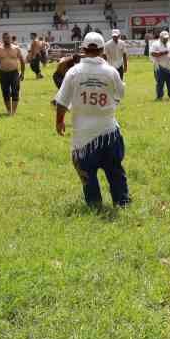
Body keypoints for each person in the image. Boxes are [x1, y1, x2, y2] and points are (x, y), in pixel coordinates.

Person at [53, 32, 129, 209]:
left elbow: (62, 102)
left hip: (83, 137)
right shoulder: (111, 72)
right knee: (115, 171)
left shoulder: (73, 72)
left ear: (83, 49)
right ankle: (122, 202)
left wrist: (59, 121)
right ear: (103, 51)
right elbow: (120, 94)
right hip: (109, 132)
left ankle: (95, 205)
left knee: (87, 173)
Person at [0, 35, 24, 116]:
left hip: (14, 73)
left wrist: (22, 73)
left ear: (10, 39)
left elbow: (22, 61)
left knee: (15, 91)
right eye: (5, 38)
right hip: (3, 74)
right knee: (5, 92)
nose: (7, 40)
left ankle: (13, 112)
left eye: (8, 38)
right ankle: (9, 110)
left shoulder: (16, 48)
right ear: (2, 39)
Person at [148, 28, 170, 100]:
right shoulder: (155, 44)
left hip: (169, 66)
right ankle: (159, 96)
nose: (166, 39)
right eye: (164, 38)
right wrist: (162, 53)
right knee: (160, 82)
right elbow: (152, 53)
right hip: (159, 66)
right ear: (160, 37)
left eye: (167, 38)